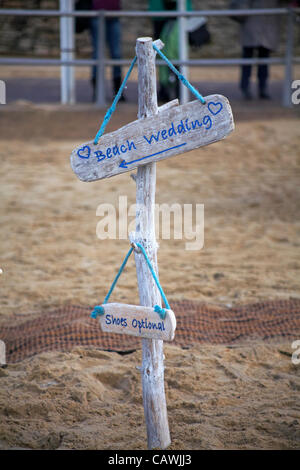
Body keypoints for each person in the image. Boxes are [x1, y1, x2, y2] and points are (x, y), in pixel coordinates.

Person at [230, 0, 280, 100]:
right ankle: (252, 88)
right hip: (254, 25)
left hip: (260, 25)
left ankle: (255, 88)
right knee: (253, 59)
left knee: (260, 60)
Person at [90, 0, 124, 101]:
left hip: (114, 15)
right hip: (97, 14)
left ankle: (118, 92)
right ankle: (97, 92)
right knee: (97, 54)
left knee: (116, 54)